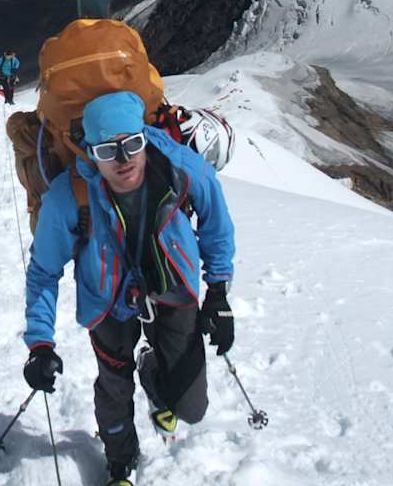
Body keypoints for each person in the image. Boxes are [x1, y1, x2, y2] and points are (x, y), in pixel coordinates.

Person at [22, 91, 236, 486]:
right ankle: (120, 461)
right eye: (107, 151)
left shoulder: (179, 166)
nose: (123, 161)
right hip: (108, 303)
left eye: (132, 145)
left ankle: (152, 370)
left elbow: (215, 222)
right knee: (114, 390)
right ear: (90, 151)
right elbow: (42, 273)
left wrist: (218, 293)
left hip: (173, 287)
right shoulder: (69, 198)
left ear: (144, 137)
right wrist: (40, 343)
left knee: (191, 408)